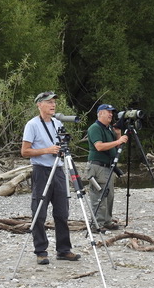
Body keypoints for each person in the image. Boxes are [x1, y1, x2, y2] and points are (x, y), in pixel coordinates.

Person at [21, 91, 80, 265]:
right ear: (39, 104)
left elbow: (62, 144)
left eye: (54, 102)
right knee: (39, 211)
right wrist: (47, 150)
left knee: (62, 212)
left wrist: (60, 150)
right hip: (41, 170)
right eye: (48, 102)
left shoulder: (57, 123)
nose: (53, 105)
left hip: (58, 169)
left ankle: (64, 249)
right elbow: (24, 151)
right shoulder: (32, 125)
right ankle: (41, 251)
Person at [85, 103, 128, 231]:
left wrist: (118, 135)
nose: (111, 114)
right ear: (100, 113)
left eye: (111, 112)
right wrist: (118, 141)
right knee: (99, 196)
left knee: (109, 196)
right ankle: (96, 224)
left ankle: (107, 221)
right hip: (97, 167)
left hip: (108, 167)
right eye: (108, 112)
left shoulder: (108, 129)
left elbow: (116, 147)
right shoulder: (95, 128)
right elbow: (99, 146)